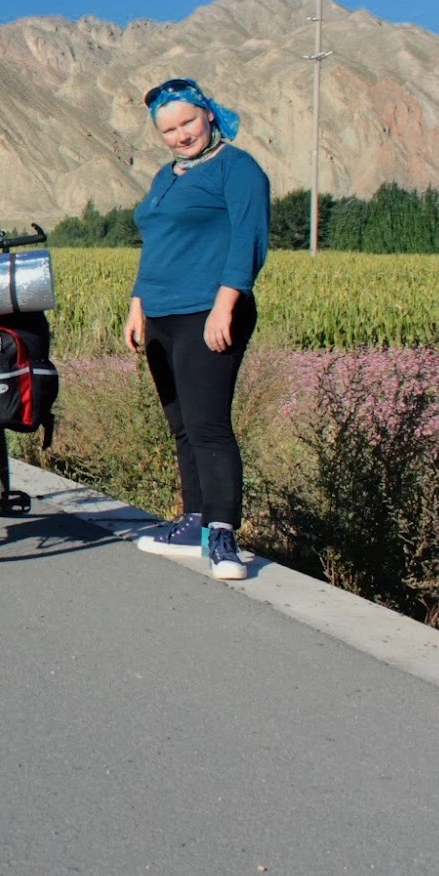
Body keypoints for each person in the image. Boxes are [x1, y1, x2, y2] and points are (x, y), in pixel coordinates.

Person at [125, 77, 270, 580]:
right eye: (169, 130)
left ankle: (223, 535)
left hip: (208, 311)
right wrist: (137, 305)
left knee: (209, 425)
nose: (181, 135)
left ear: (208, 113)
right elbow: (156, 245)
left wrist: (225, 306)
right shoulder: (166, 176)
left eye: (187, 122)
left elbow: (248, 240)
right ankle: (194, 523)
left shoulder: (238, 167)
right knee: (183, 425)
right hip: (160, 314)